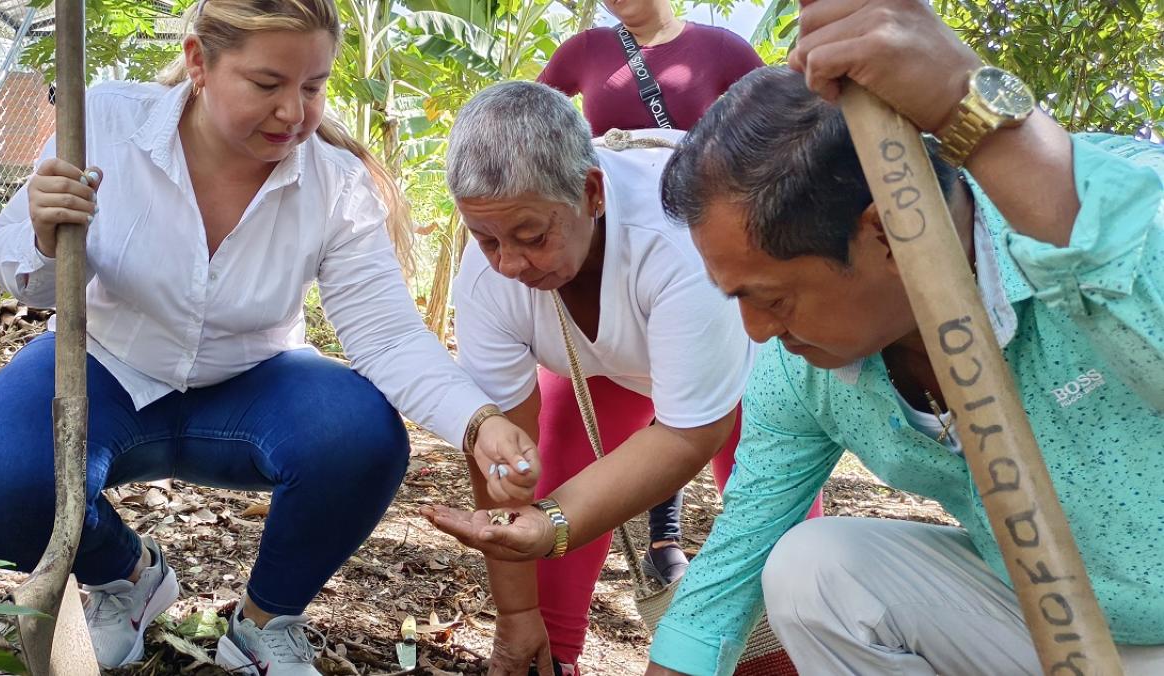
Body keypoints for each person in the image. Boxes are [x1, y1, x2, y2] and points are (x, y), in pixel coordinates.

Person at [0, 1, 542, 673]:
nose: (292, 114)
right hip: (107, 367)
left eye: (312, 87)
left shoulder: (333, 183)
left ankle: (264, 623)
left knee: (360, 433)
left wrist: (478, 423)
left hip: (255, 385)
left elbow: (387, 335)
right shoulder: (102, 122)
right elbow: (23, 272)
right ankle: (124, 579)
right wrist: (44, 231)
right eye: (267, 84)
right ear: (198, 63)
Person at [645, 1, 1164, 674]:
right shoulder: (806, 374)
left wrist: (968, 106)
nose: (758, 330)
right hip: (1039, 622)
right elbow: (729, 573)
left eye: (771, 299)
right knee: (816, 573)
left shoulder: (1110, 211)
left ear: (885, 234)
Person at [422, 81, 755, 676]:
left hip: (751, 364)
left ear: (592, 192)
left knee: (769, 546)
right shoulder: (488, 272)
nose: (510, 265)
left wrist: (555, 522)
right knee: (543, 517)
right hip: (605, 371)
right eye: (487, 239)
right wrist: (515, 614)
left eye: (532, 237)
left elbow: (689, 434)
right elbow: (500, 452)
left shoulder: (679, 240)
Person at [539, 0, 773, 586]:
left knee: (757, 441)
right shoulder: (586, 50)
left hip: (701, 255)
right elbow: (526, 124)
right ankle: (552, 650)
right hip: (606, 257)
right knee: (571, 443)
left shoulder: (722, 50)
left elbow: (779, 130)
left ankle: (781, 641)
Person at [538, 0, 762, 138]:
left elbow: (783, 115)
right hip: (608, 208)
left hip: (687, 207)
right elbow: (520, 115)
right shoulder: (586, 48)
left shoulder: (720, 45)